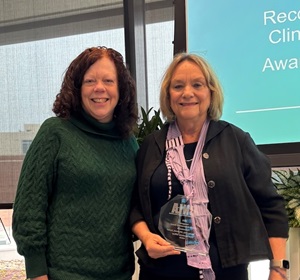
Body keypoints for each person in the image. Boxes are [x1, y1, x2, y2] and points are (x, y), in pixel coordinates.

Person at [129, 52, 289, 280]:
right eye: (178, 86)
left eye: (197, 84)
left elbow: (271, 206)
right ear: (168, 95)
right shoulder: (152, 145)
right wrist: (145, 237)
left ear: (210, 92)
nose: (187, 93)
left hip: (226, 274)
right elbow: (135, 205)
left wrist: (278, 270)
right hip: (160, 272)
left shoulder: (236, 140)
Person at [12, 46, 139, 280]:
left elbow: (136, 206)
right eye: (90, 80)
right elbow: (29, 207)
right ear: (77, 88)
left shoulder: (128, 142)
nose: (99, 88)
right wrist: (36, 270)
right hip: (62, 273)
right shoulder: (55, 133)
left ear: (121, 89)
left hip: (119, 274)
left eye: (108, 80)